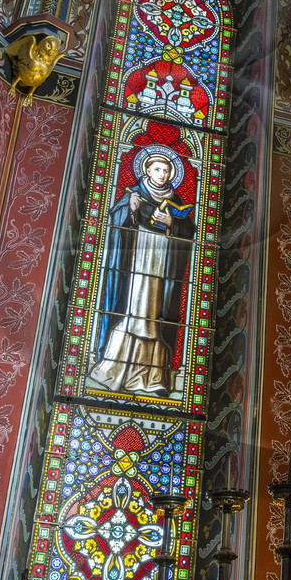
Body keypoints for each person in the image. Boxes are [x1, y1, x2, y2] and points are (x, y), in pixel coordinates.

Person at [89, 146, 194, 394]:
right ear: (147, 171)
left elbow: (189, 232)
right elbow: (117, 222)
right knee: (133, 310)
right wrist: (132, 210)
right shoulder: (134, 194)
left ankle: (154, 377)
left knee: (155, 315)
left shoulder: (176, 201)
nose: (162, 174)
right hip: (137, 260)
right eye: (157, 169)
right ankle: (115, 370)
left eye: (166, 170)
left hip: (163, 263)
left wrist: (171, 223)